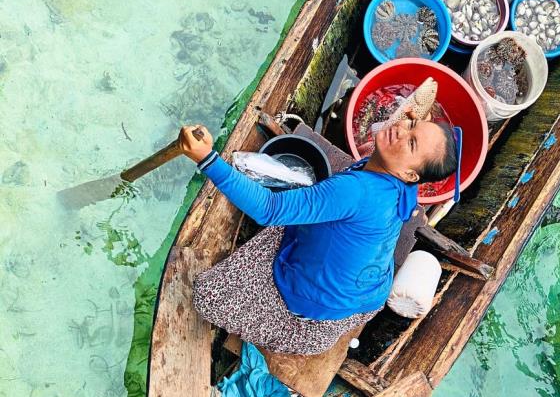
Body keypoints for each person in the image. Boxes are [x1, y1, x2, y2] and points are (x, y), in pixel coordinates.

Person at [179, 113, 457, 356]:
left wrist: (207, 159)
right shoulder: (405, 184)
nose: (401, 129)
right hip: (367, 294)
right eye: (410, 123)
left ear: (411, 175)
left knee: (207, 297)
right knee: (303, 211)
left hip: (314, 304)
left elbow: (269, 209)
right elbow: (409, 128)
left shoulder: (356, 191)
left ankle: (305, 339)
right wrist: (411, 126)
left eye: (411, 142)